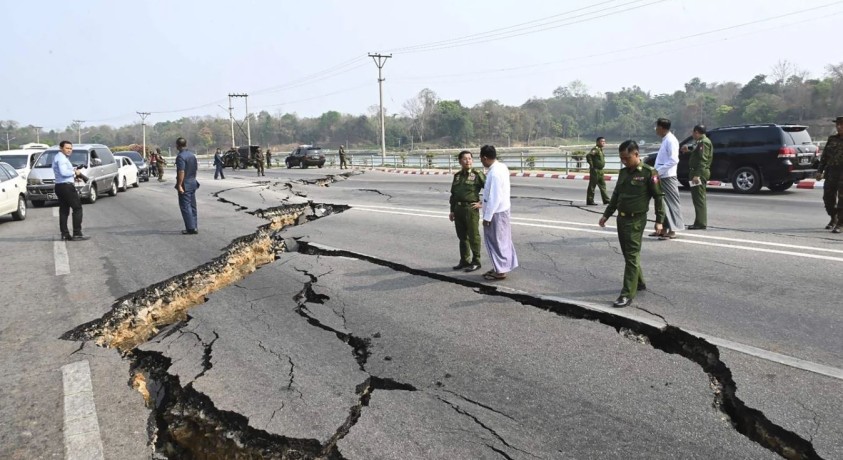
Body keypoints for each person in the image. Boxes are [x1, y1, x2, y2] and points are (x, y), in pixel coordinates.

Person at [599, 140, 665, 308]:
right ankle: (640, 282)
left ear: (636, 154)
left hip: (636, 220)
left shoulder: (649, 173)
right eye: (621, 158)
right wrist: (606, 215)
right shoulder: (623, 173)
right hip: (621, 218)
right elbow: (615, 195)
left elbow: (659, 197)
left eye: (627, 158)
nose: (624, 161)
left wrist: (659, 221)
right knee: (629, 254)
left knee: (631, 255)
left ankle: (627, 293)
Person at [479, 145, 518, 280]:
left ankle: (500, 271)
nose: (481, 161)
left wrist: (487, 217)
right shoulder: (502, 167)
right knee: (504, 240)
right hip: (504, 210)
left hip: (496, 212)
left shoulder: (494, 173)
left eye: (481, 158)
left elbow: (495, 197)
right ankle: (501, 266)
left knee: (495, 242)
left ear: (484, 157)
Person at [449, 150, 486, 272]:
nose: (468, 161)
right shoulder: (457, 176)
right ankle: (464, 260)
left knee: (473, 235)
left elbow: (490, 189)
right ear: (460, 161)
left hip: (471, 209)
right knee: (462, 237)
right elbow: (453, 194)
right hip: (458, 209)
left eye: (470, 158)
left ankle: (476, 261)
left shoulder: (477, 174)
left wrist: (482, 203)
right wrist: (452, 210)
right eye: (465, 159)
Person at [652, 118, 684, 239]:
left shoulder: (671, 140)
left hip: (667, 176)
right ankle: (663, 229)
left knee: (671, 203)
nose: (656, 129)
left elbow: (674, 160)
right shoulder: (665, 140)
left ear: (661, 128)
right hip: (662, 176)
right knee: (662, 203)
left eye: (657, 127)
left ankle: (673, 230)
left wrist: (659, 171)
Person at [53, 141, 90, 241]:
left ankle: (65, 234)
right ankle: (77, 233)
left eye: (70, 148)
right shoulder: (61, 158)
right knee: (77, 208)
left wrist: (73, 176)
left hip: (60, 185)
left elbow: (63, 173)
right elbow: (64, 172)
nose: (69, 150)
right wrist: (74, 172)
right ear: (61, 148)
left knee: (64, 210)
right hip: (66, 187)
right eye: (67, 148)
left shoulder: (59, 157)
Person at [681, 125, 713, 229]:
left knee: (699, 198)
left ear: (697, 132)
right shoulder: (700, 142)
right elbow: (697, 155)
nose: (692, 135)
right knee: (697, 198)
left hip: (699, 173)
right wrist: (688, 152)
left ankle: (700, 223)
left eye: (693, 133)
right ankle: (698, 221)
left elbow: (703, 159)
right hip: (696, 172)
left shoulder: (703, 142)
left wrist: (697, 175)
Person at [817, 116, 843, 233]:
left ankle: (840, 224)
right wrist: (819, 170)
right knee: (827, 198)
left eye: (841, 124)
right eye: (837, 124)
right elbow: (825, 157)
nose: (839, 127)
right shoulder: (832, 139)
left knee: (842, 200)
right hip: (831, 172)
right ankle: (833, 218)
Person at [174, 138, 199, 234]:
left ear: (177, 145)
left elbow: (181, 171)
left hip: (185, 183)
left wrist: (179, 184)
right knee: (192, 206)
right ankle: (194, 226)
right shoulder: (192, 155)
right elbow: (195, 169)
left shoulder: (181, 157)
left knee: (185, 206)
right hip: (192, 182)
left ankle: (190, 228)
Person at [585, 137, 610, 205]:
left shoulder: (600, 150)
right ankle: (590, 201)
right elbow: (588, 155)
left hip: (600, 171)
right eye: (602, 141)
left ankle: (606, 200)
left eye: (604, 141)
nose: (603, 143)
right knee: (592, 186)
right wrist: (591, 164)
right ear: (597, 142)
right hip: (595, 170)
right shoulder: (595, 149)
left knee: (603, 186)